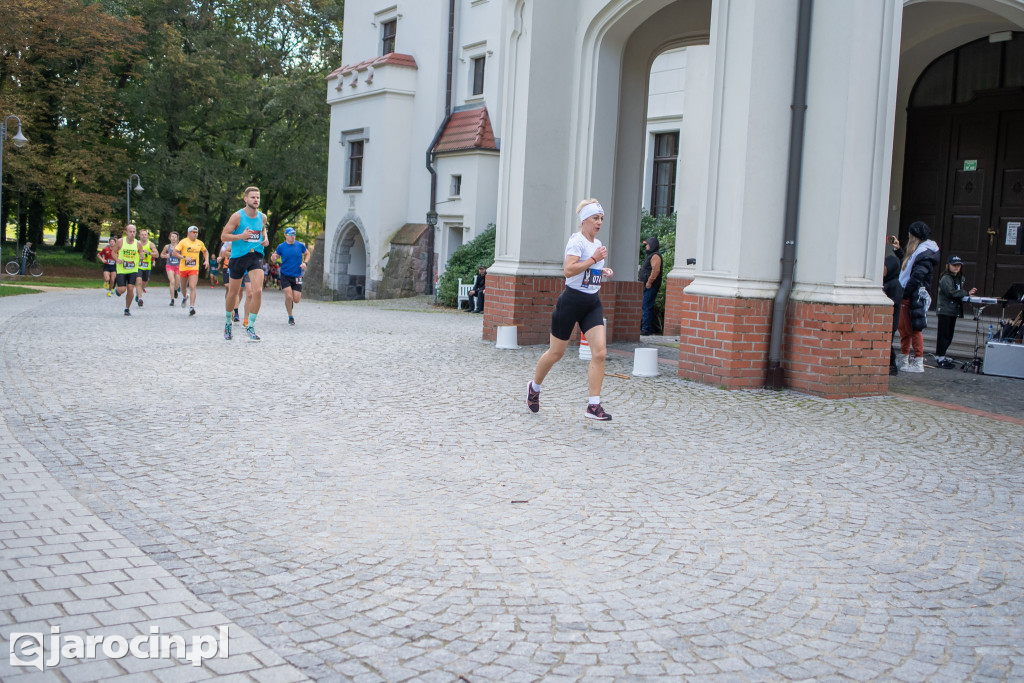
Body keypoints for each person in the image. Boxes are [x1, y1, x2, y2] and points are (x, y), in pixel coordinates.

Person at [526, 199, 615, 421]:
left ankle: (593, 406)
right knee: (556, 353)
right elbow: (568, 270)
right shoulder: (577, 242)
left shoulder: (598, 243)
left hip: (592, 303)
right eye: (595, 218)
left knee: (600, 353)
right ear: (584, 220)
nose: (599, 222)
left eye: (602, 218)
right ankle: (534, 387)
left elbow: (587, 271)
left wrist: (601, 271)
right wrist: (594, 259)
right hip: (570, 303)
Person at [221, 186, 269, 341]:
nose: (256, 200)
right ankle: (228, 322)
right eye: (253, 197)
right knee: (233, 293)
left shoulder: (262, 217)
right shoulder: (237, 217)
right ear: (246, 199)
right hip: (238, 258)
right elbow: (224, 236)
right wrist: (241, 235)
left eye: (258, 197)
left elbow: (262, 230)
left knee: (258, 291)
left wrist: (265, 238)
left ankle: (251, 326)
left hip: (256, 257)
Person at [897, 220, 940, 373]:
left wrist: (905, 293)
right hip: (910, 294)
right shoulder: (921, 252)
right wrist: (898, 251)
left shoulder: (924, 253)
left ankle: (917, 361)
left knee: (914, 329)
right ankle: (904, 358)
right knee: (904, 328)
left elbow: (916, 276)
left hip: (913, 295)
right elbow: (910, 269)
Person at [935, 255, 976, 369]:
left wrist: (965, 294)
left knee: (949, 334)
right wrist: (966, 293)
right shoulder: (946, 278)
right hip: (945, 310)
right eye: (954, 265)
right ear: (948, 265)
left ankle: (941, 355)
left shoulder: (959, 278)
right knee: (944, 334)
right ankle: (940, 357)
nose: (956, 268)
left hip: (953, 310)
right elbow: (951, 293)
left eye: (958, 265)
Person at [272, 227, 308, 325]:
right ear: (286, 235)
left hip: (297, 275)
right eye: (290, 234)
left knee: (296, 300)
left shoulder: (300, 245)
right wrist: (273, 258)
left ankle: (290, 301)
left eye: (294, 234)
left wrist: (305, 263)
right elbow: (274, 258)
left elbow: (307, 254)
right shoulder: (281, 247)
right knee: (288, 296)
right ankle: (290, 317)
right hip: (285, 274)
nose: (293, 236)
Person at [173, 225, 209, 316]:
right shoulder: (183, 242)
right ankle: (185, 297)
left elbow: (205, 251)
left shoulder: (199, 243)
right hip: (183, 268)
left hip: (194, 268)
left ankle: (192, 307)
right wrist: (184, 257)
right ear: (188, 233)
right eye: (193, 232)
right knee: (183, 288)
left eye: (196, 232)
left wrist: (206, 260)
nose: (195, 234)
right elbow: (174, 253)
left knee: (193, 286)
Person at [882, 236, 904, 376]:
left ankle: (892, 364)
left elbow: (893, 303)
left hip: (891, 318)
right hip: (887, 317)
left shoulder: (895, 284)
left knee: (888, 341)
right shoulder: (886, 282)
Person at [112, 225, 141, 316]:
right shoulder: (120, 241)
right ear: (126, 232)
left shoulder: (138, 243)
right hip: (121, 269)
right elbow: (113, 252)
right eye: (130, 232)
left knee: (131, 288)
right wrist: (117, 260)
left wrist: (142, 255)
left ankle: (127, 308)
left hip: (133, 269)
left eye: (134, 232)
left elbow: (141, 253)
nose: (132, 234)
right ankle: (118, 290)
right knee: (122, 290)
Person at [638, 236, 662, 335]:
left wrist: (649, 282)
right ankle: (647, 328)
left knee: (646, 306)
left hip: (650, 286)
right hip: (649, 285)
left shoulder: (655, 256)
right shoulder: (652, 255)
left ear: (652, 246)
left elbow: (655, 270)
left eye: (647, 245)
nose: (646, 247)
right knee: (647, 306)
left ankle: (646, 329)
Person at [134, 228, 159, 308]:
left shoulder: (150, 244)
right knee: (138, 281)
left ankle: (139, 293)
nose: (144, 236)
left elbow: (157, 254)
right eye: (142, 235)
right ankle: (140, 298)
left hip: (147, 266)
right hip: (138, 266)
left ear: (147, 236)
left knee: (144, 283)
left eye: (145, 235)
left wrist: (148, 252)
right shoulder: (136, 243)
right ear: (139, 235)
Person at [161, 231, 182, 306]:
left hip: (178, 266)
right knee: (172, 281)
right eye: (172, 237)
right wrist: (165, 256)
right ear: (170, 238)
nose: (173, 238)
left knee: (177, 283)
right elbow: (161, 255)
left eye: (175, 237)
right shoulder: (167, 247)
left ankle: (176, 290)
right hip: (169, 266)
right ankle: (172, 299)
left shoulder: (180, 247)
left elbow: (183, 256)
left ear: (177, 238)